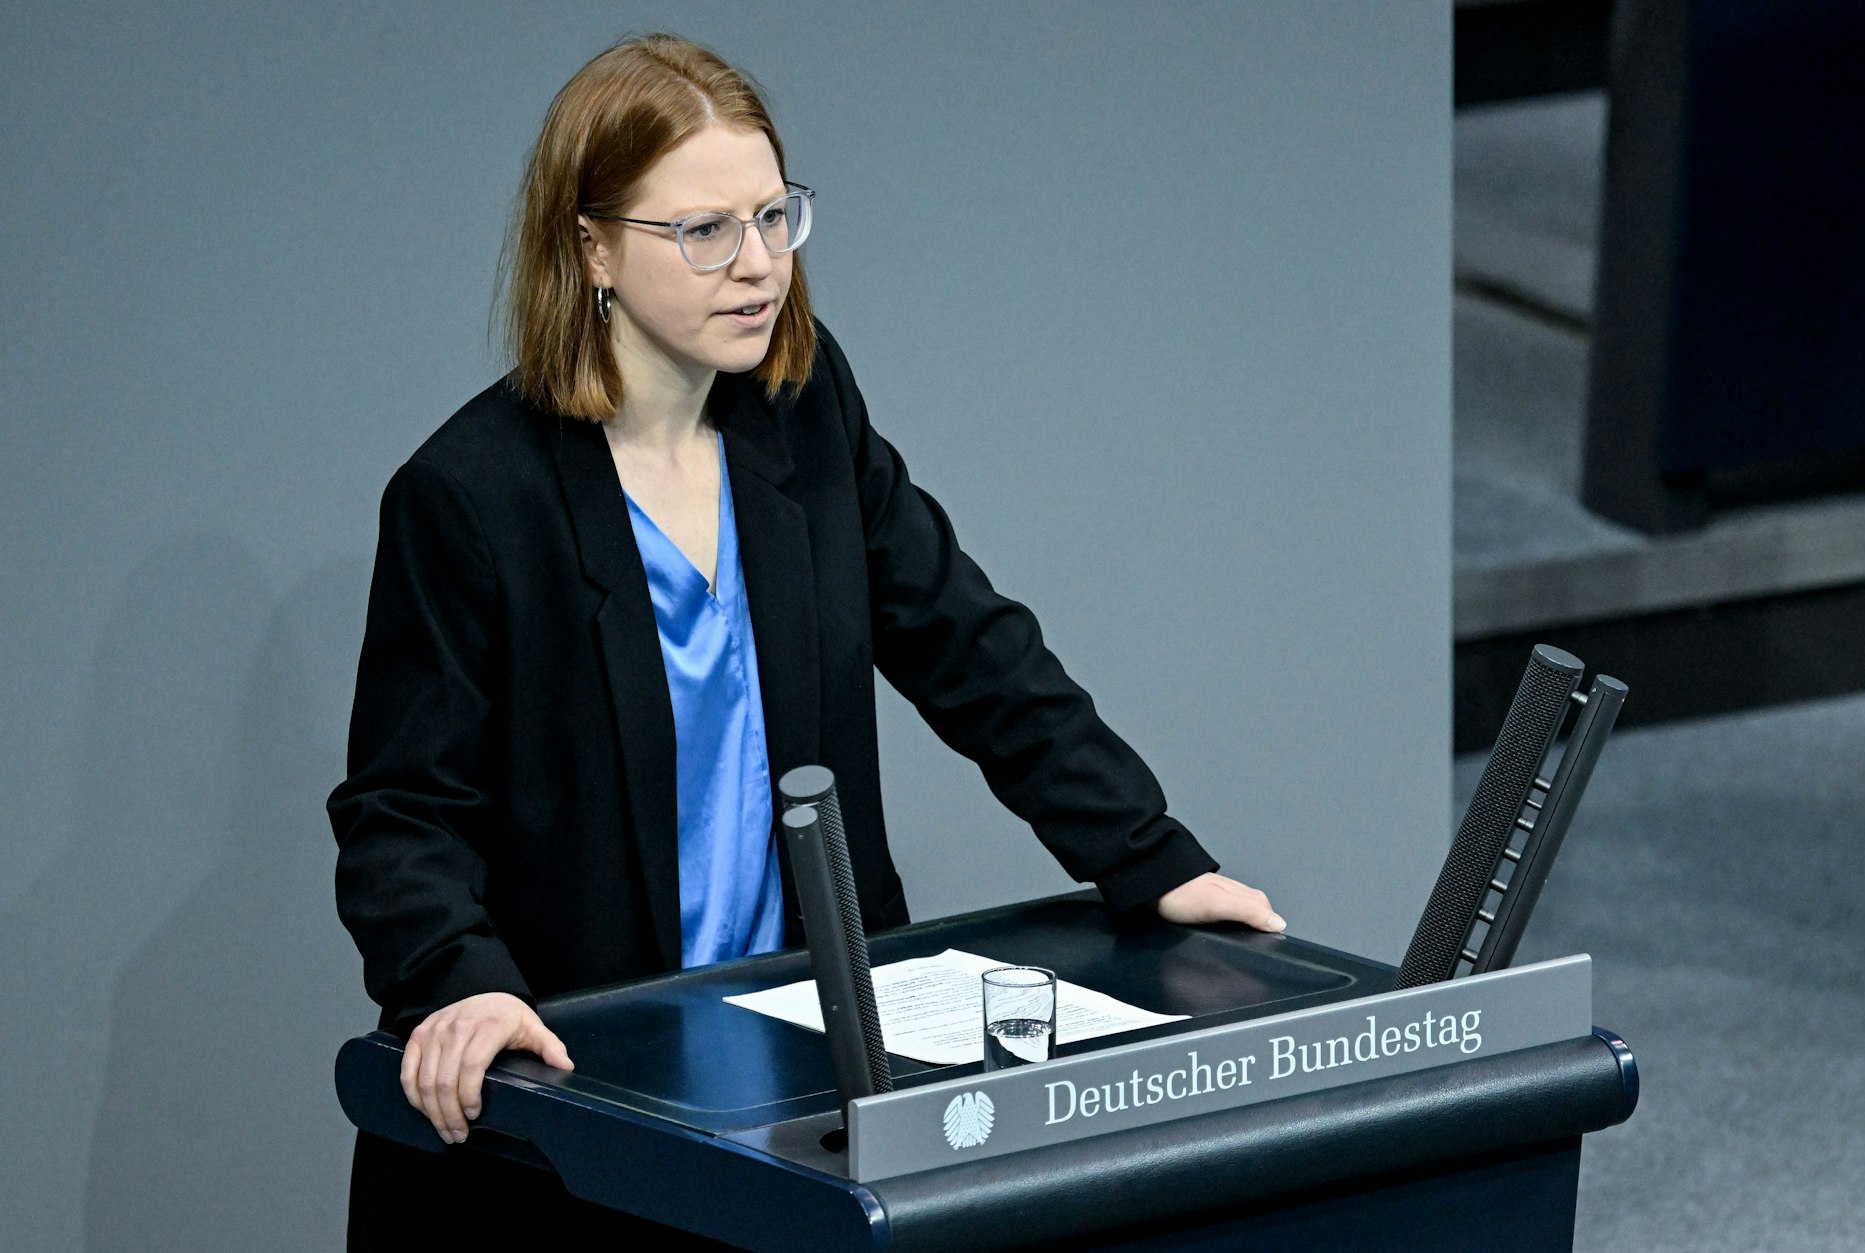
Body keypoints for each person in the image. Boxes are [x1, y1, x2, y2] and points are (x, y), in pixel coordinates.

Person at [328, 32, 1285, 1247]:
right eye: (704, 231)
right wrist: (459, 982)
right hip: (591, 1076)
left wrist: (1150, 856)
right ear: (591, 248)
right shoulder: (470, 494)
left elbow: (967, 645)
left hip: (803, 1064)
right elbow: (400, 807)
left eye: (775, 216)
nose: (758, 264)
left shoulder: (802, 407)